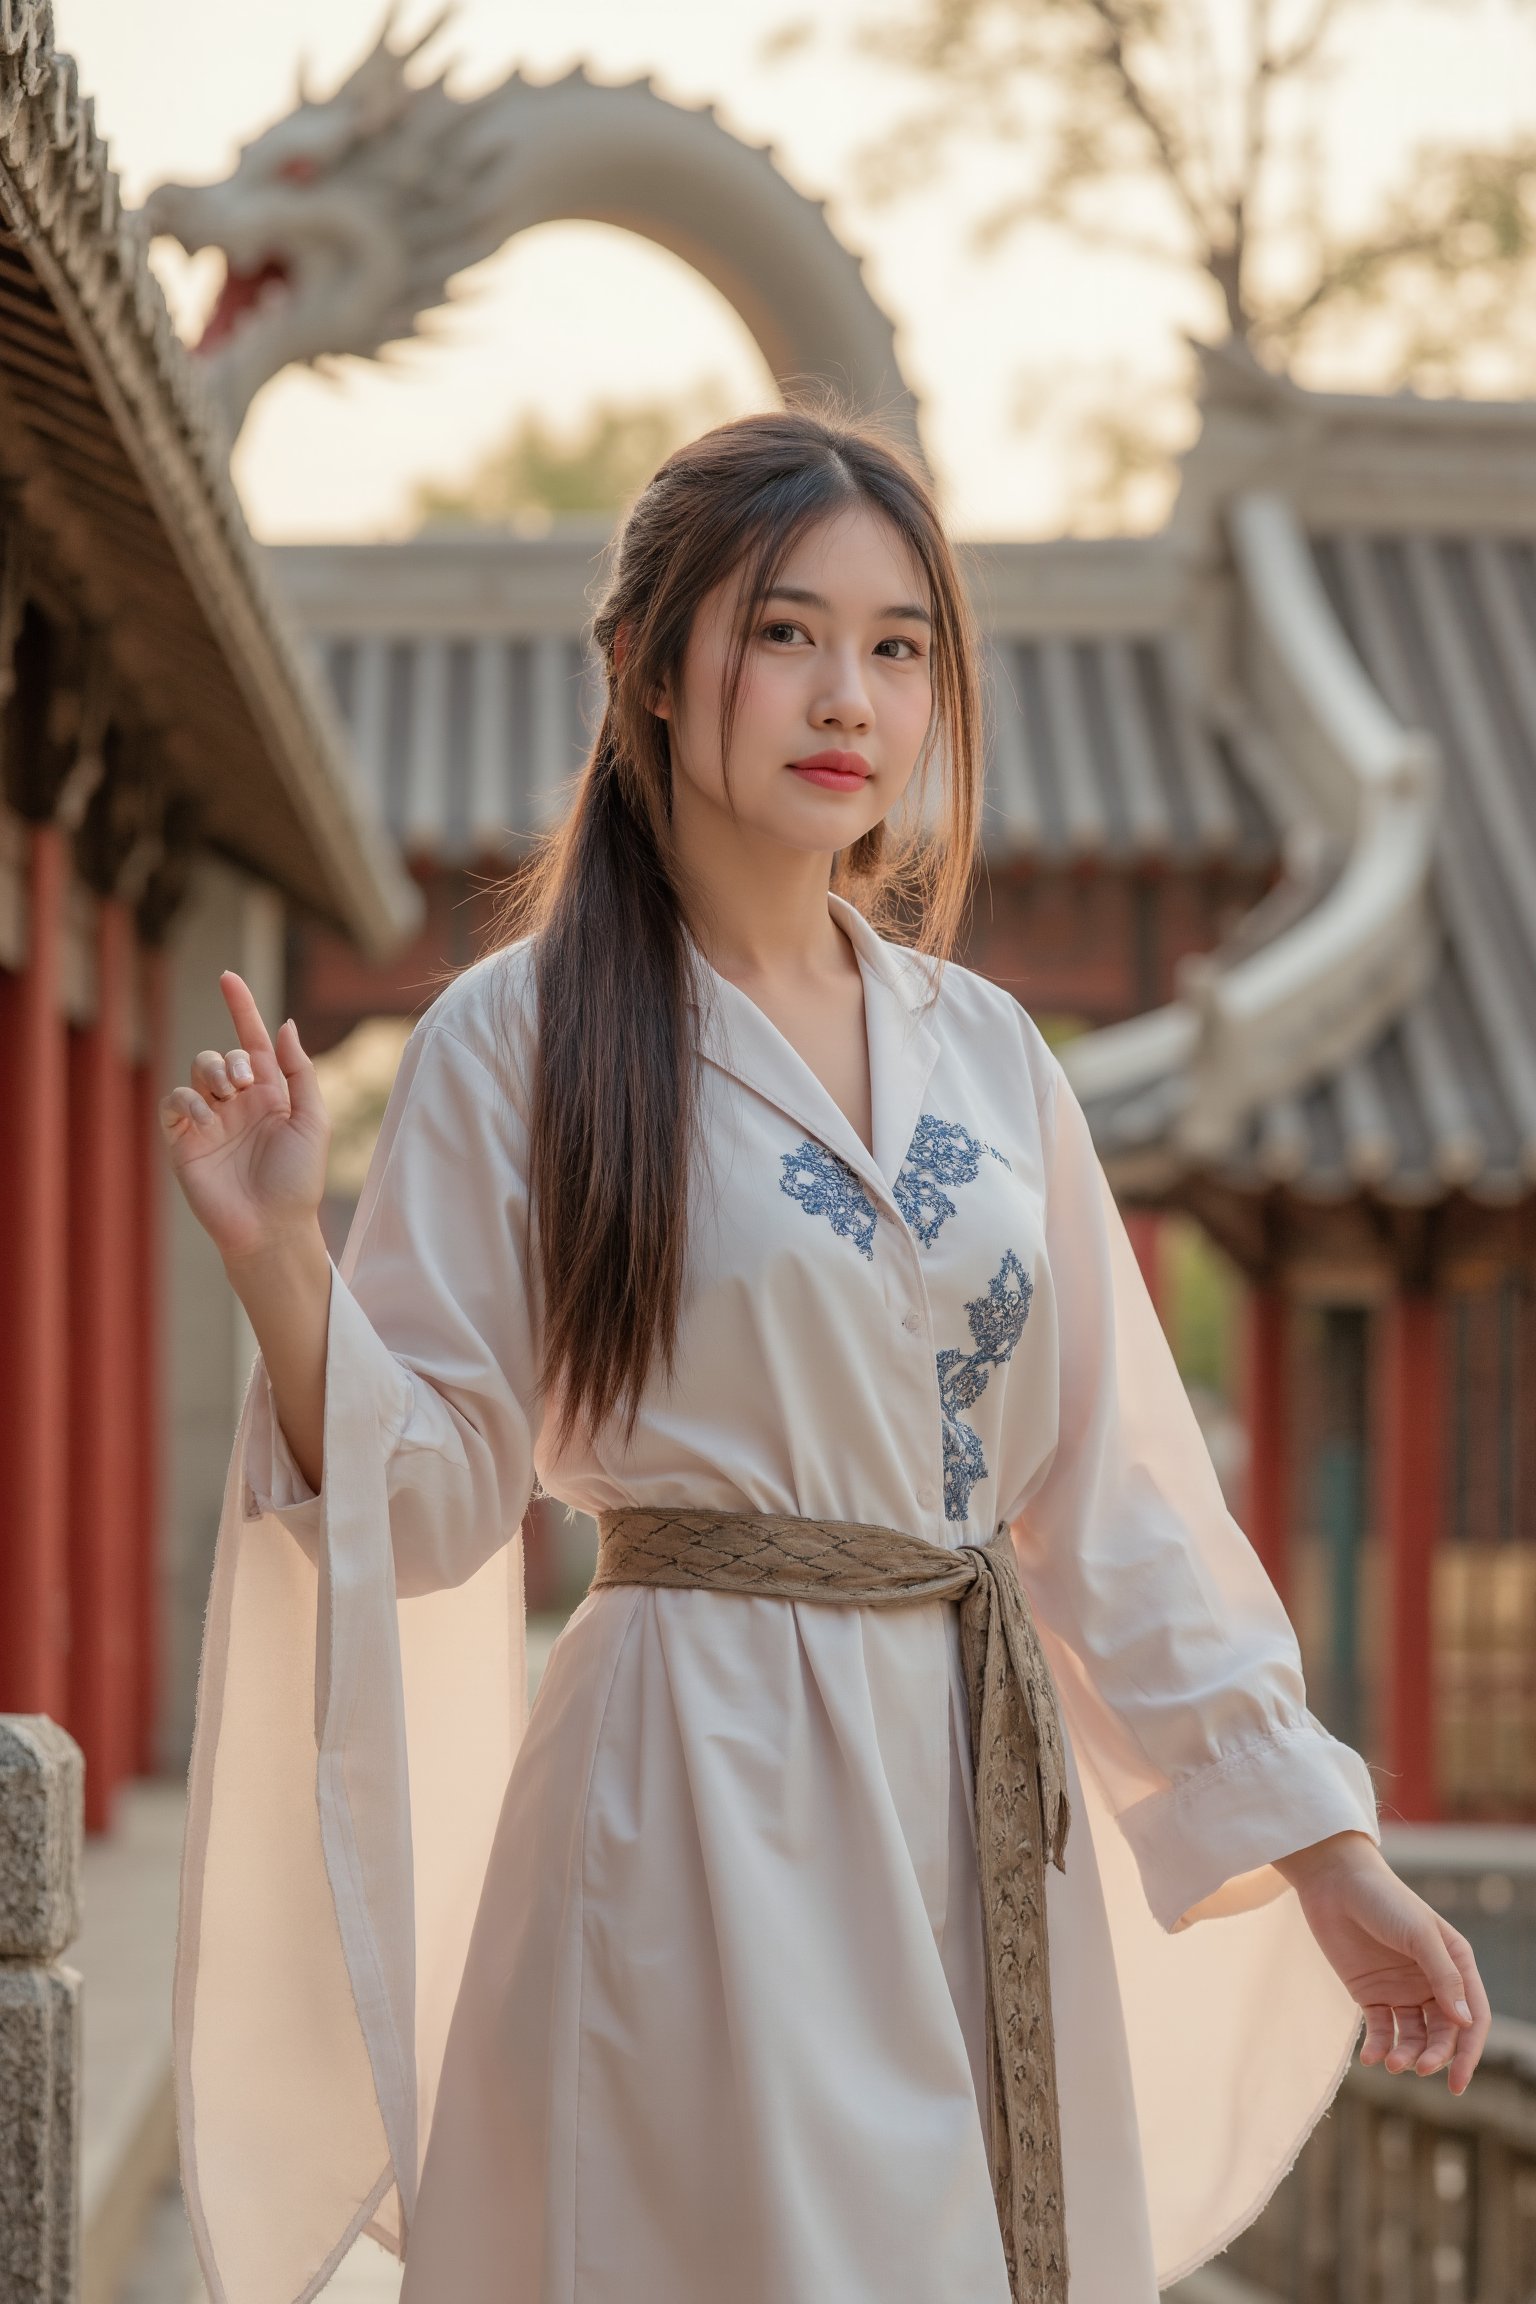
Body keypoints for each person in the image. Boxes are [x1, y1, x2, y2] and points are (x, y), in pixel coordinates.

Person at [162, 397, 1489, 2304]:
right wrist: (283, 1245)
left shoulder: (991, 1054)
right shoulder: (517, 1040)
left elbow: (1112, 1504)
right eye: (783, 633)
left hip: (969, 1798)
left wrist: (1328, 1856)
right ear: (646, 666)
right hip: (693, 1792)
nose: (843, 694)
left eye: (896, 644)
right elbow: (432, 1490)